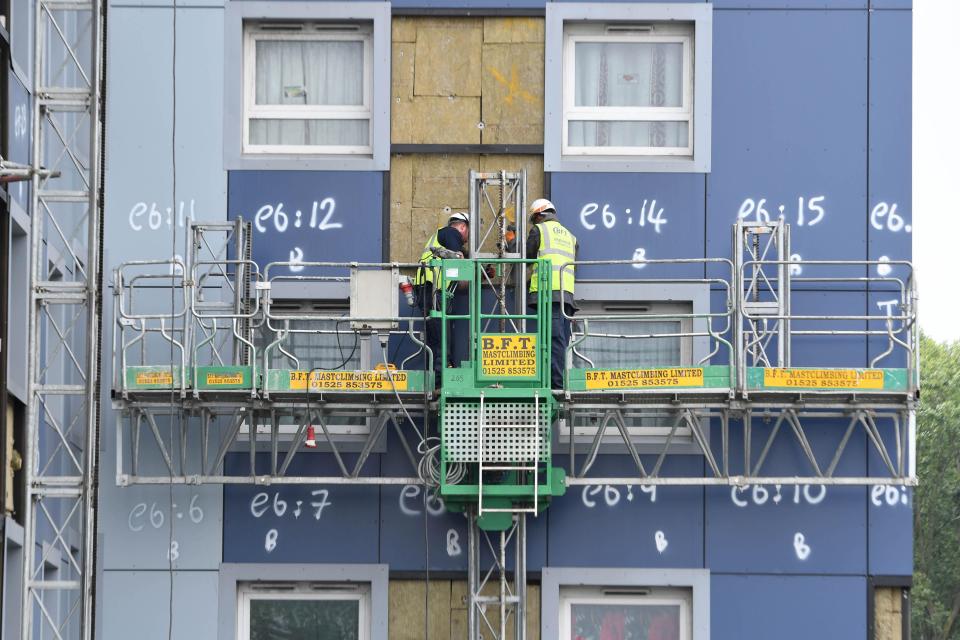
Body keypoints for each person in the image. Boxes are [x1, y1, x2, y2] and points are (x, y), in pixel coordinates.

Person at [526, 198, 577, 390]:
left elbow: (527, 258)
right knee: (560, 340)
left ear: (539, 215)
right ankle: (558, 380)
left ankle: (556, 385)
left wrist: (513, 242)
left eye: (533, 219)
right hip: (567, 295)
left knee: (554, 339)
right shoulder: (571, 237)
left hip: (549, 293)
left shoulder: (539, 230)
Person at [414, 211, 470, 382]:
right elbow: (458, 268)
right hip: (434, 292)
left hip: (428, 290)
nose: (466, 239)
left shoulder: (440, 238)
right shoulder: (451, 233)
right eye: (468, 233)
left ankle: (435, 377)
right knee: (441, 338)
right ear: (462, 226)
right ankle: (441, 379)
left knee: (435, 337)